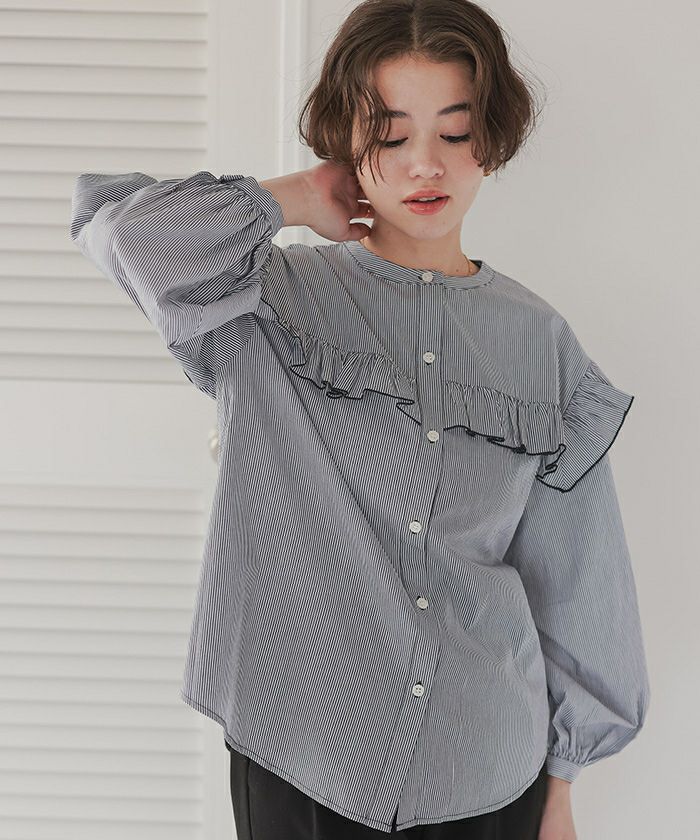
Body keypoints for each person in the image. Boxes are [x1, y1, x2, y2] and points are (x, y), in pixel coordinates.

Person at [69, 1, 650, 837]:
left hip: (484, 766)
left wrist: (562, 788)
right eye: (390, 134)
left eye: (455, 131)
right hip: (301, 752)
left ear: (491, 135)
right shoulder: (261, 299)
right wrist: (300, 196)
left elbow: (580, 577)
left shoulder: (542, 345)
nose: (426, 164)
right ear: (347, 136)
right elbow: (125, 232)